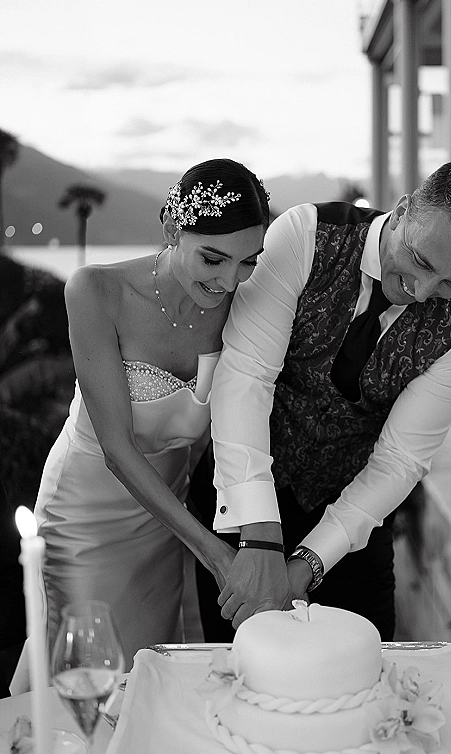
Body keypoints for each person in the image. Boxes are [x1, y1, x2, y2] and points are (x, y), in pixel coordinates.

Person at [200, 160, 451, 640]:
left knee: (371, 684)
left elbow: (401, 459)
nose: (424, 292)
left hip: (352, 519)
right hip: (239, 494)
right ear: (404, 209)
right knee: (236, 680)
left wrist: (306, 563)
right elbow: (246, 376)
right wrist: (261, 536)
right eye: (422, 262)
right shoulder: (305, 235)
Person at [17, 158, 270, 674]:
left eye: (248, 262)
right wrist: (215, 553)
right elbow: (116, 448)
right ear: (172, 227)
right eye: (213, 259)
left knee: (145, 674)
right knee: (82, 669)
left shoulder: (242, 307)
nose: (228, 280)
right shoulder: (95, 292)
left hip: (164, 520)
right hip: (86, 512)